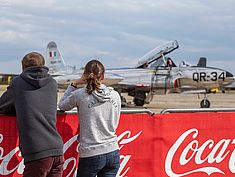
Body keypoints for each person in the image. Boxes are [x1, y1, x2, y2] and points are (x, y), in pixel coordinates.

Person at [0, 52, 64, 177]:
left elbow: (2, 106)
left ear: (23, 67)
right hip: (57, 149)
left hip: (37, 151)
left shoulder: (18, 83)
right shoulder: (52, 83)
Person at [58, 59, 121, 177]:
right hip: (113, 151)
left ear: (85, 76)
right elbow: (116, 120)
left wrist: (74, 84)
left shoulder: (80, 94)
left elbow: (62, 105)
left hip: (91, 153)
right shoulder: (115, 95)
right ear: (103, 76)